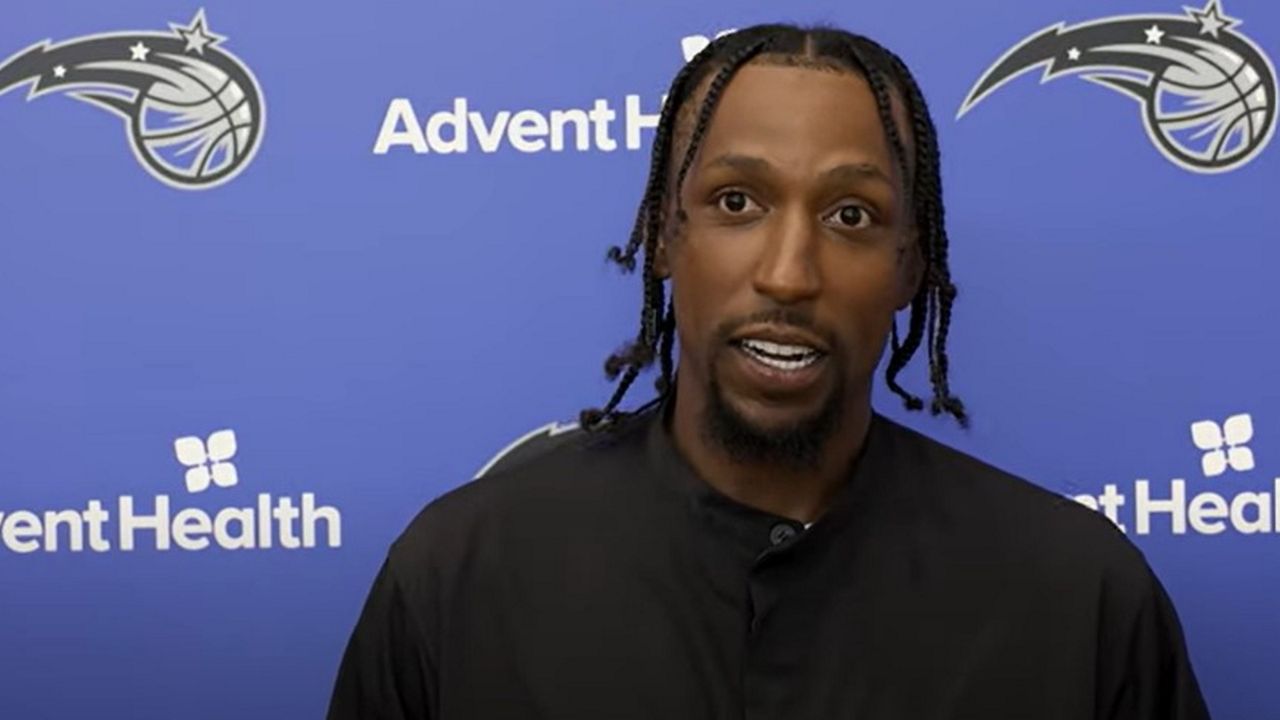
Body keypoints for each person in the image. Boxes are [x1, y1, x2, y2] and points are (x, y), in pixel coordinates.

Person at [327, 23, 1210, 719]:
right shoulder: (461, 576)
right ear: (666, 239)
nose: (789, 272)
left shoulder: (1080, 598)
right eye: (737, 202)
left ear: (911, 266)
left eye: (852, 213)